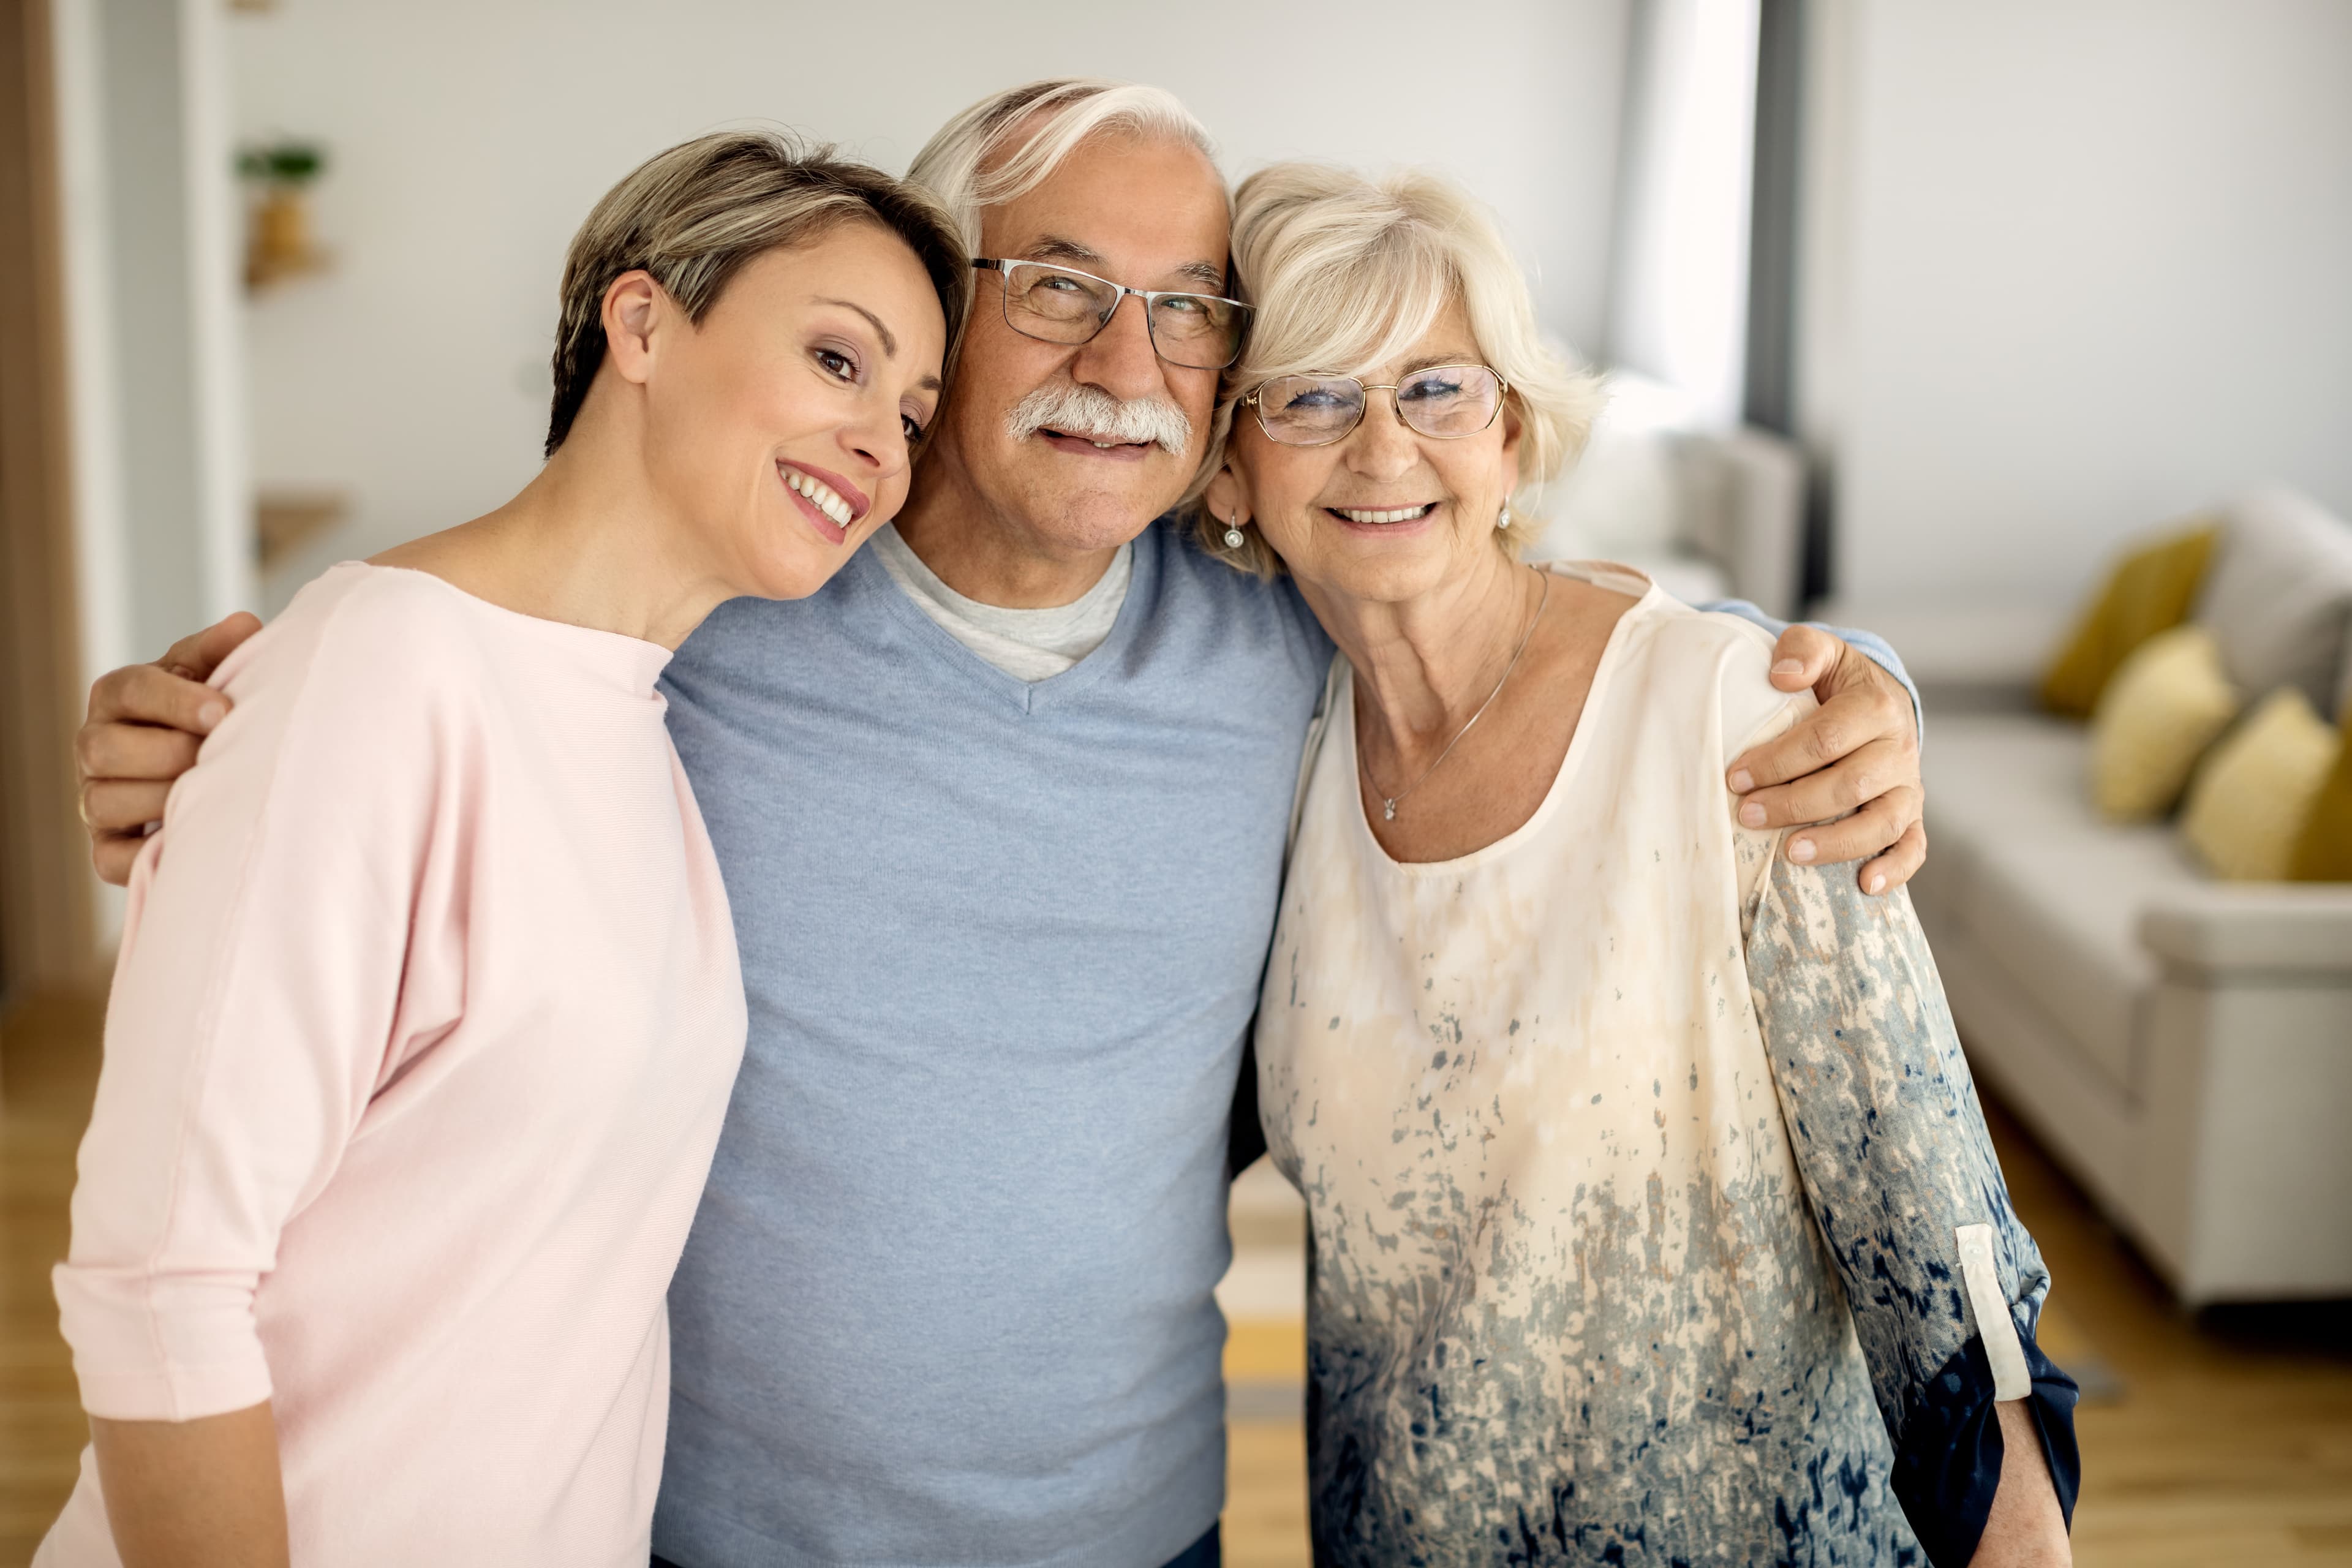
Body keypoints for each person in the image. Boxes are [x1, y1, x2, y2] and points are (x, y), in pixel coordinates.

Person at [72, 81, 1929, 1568]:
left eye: (1187, 309)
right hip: (702, 1528)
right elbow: (491, 645)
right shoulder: (731, 611)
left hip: (1139, 1524)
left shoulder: (1275, 646)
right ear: (948, 319)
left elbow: (1499, 610)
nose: (1123, 356)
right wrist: (211, 734)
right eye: (1056, 283)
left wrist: (1823, 682)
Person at [39, 134, 961, 1567]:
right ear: (643, 322)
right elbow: (161, 1277)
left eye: (914, 413)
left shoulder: (643, 726)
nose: (883, 447)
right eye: (841, 361)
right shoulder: (378, 671)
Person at [1200, 161, 2078, 1566]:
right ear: (1233, 462)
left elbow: (1940, 1241)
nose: (1382, 447)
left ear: (1514, 434)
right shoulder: (1280, 750)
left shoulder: (1734, 719)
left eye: (1438, 387)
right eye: (1312, 393)